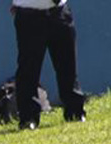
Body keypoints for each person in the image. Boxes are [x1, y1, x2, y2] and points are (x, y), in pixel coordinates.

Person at [12, 0, 86, 130]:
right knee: (29, 68)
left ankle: (75, 111)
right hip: (29, 12)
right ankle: (28, 118)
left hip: (60, 11)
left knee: (67, 65)